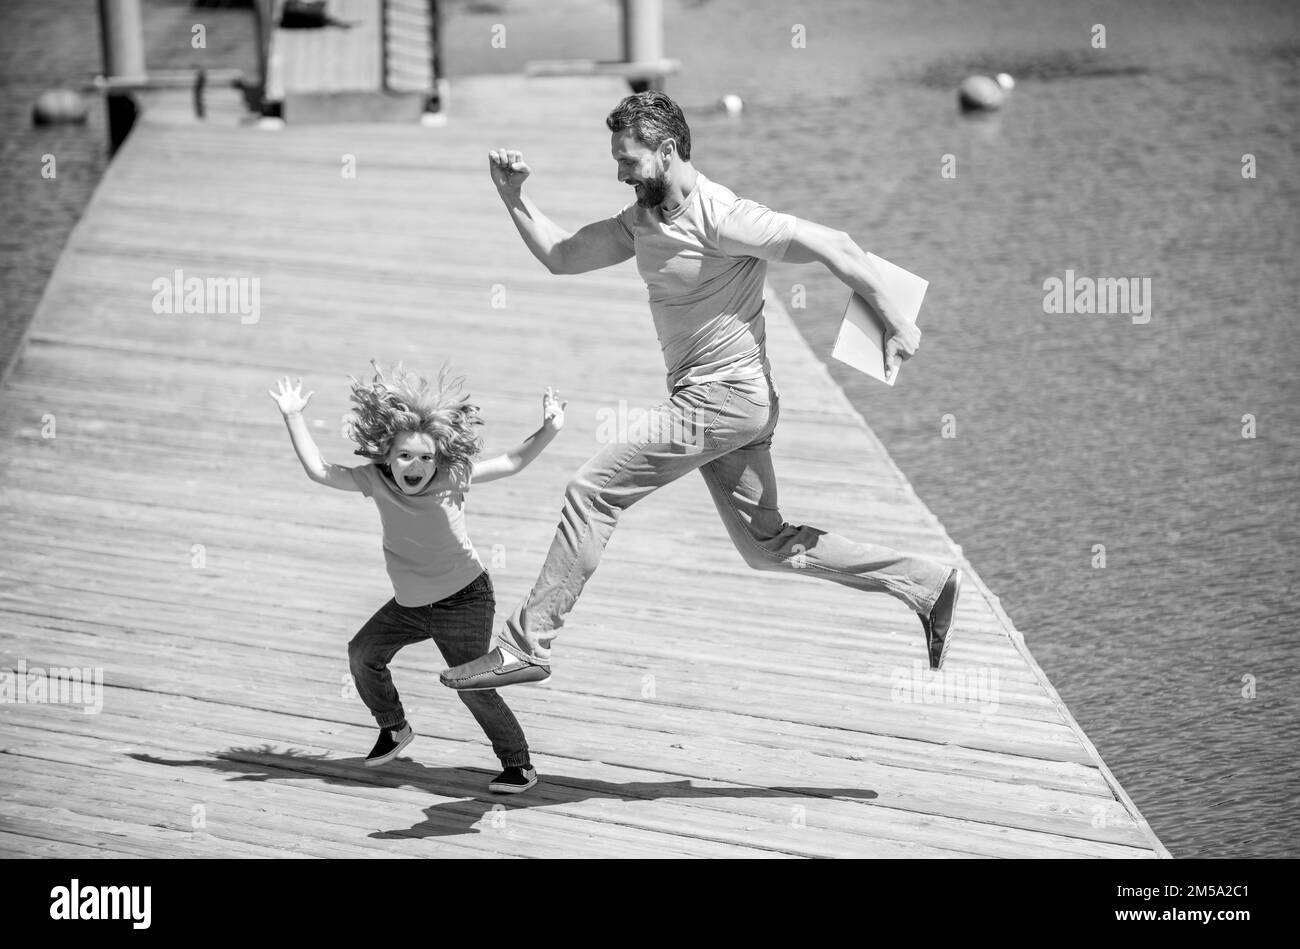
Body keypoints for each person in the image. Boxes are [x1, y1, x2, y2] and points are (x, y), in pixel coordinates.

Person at [441, 91, 960, 694]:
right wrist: (514, 199)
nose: (620, 172)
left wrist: (895, 319)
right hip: (730, 405)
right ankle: (926, 583)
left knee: (592, 491)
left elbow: (836, 245)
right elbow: (562, 256)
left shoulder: (722, 215)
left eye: (629, 161)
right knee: (767, 546)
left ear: (667, 150)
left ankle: (527, 645)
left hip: (722, 398)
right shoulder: (642, 222)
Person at [269, 364, 567, 793]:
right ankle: (394, 728)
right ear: (386, 456)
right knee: (363, 653)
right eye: (405, 455)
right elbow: (319, 471)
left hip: (465, 599)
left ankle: (519, 766)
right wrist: (293, 415)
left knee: (472, 685)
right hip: (410, 604)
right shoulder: (375, 480)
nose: (416, 465)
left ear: (438, 459)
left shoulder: (452, 476)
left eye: (426, 457)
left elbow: (511, 462)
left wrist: (549, 429)